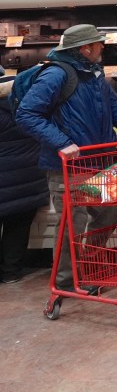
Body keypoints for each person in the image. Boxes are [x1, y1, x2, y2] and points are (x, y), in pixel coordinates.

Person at [14, 24, 117, 293]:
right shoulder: (55, 74)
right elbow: (26, 115)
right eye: (98, 44)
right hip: (68, 167)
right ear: (85, 48)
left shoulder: (94, 73)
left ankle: (91, 266)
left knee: (107, 217)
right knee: (71, 229)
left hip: (102, 161)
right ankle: (68, 282)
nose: (102, 48)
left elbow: (114, 107)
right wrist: (61, 143)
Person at [0, 74, 47, 284]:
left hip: (5, 177)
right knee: (19, 224)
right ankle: (11, 272)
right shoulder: (32, 101)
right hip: (30, 176)